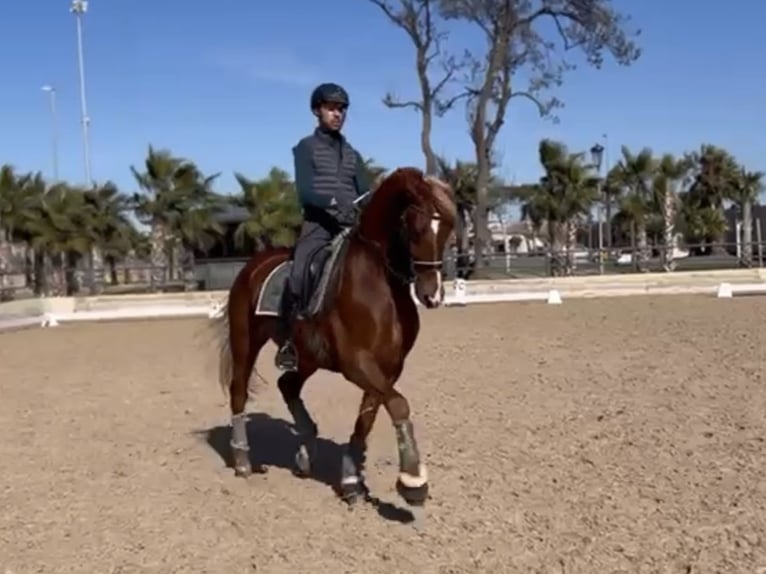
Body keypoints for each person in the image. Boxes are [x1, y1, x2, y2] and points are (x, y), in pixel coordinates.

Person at [275, 82, 371, 372]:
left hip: (350, 227)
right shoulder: (305, 148)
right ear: (317, 110)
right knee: (300, 271)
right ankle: (291, 341)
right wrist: (334, 202)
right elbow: (305, 193)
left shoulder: (353, 154)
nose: (337, 114)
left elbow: (366, 190)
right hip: (318, 225)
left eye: (341, 109)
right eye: (331, 108)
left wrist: (369, 205)